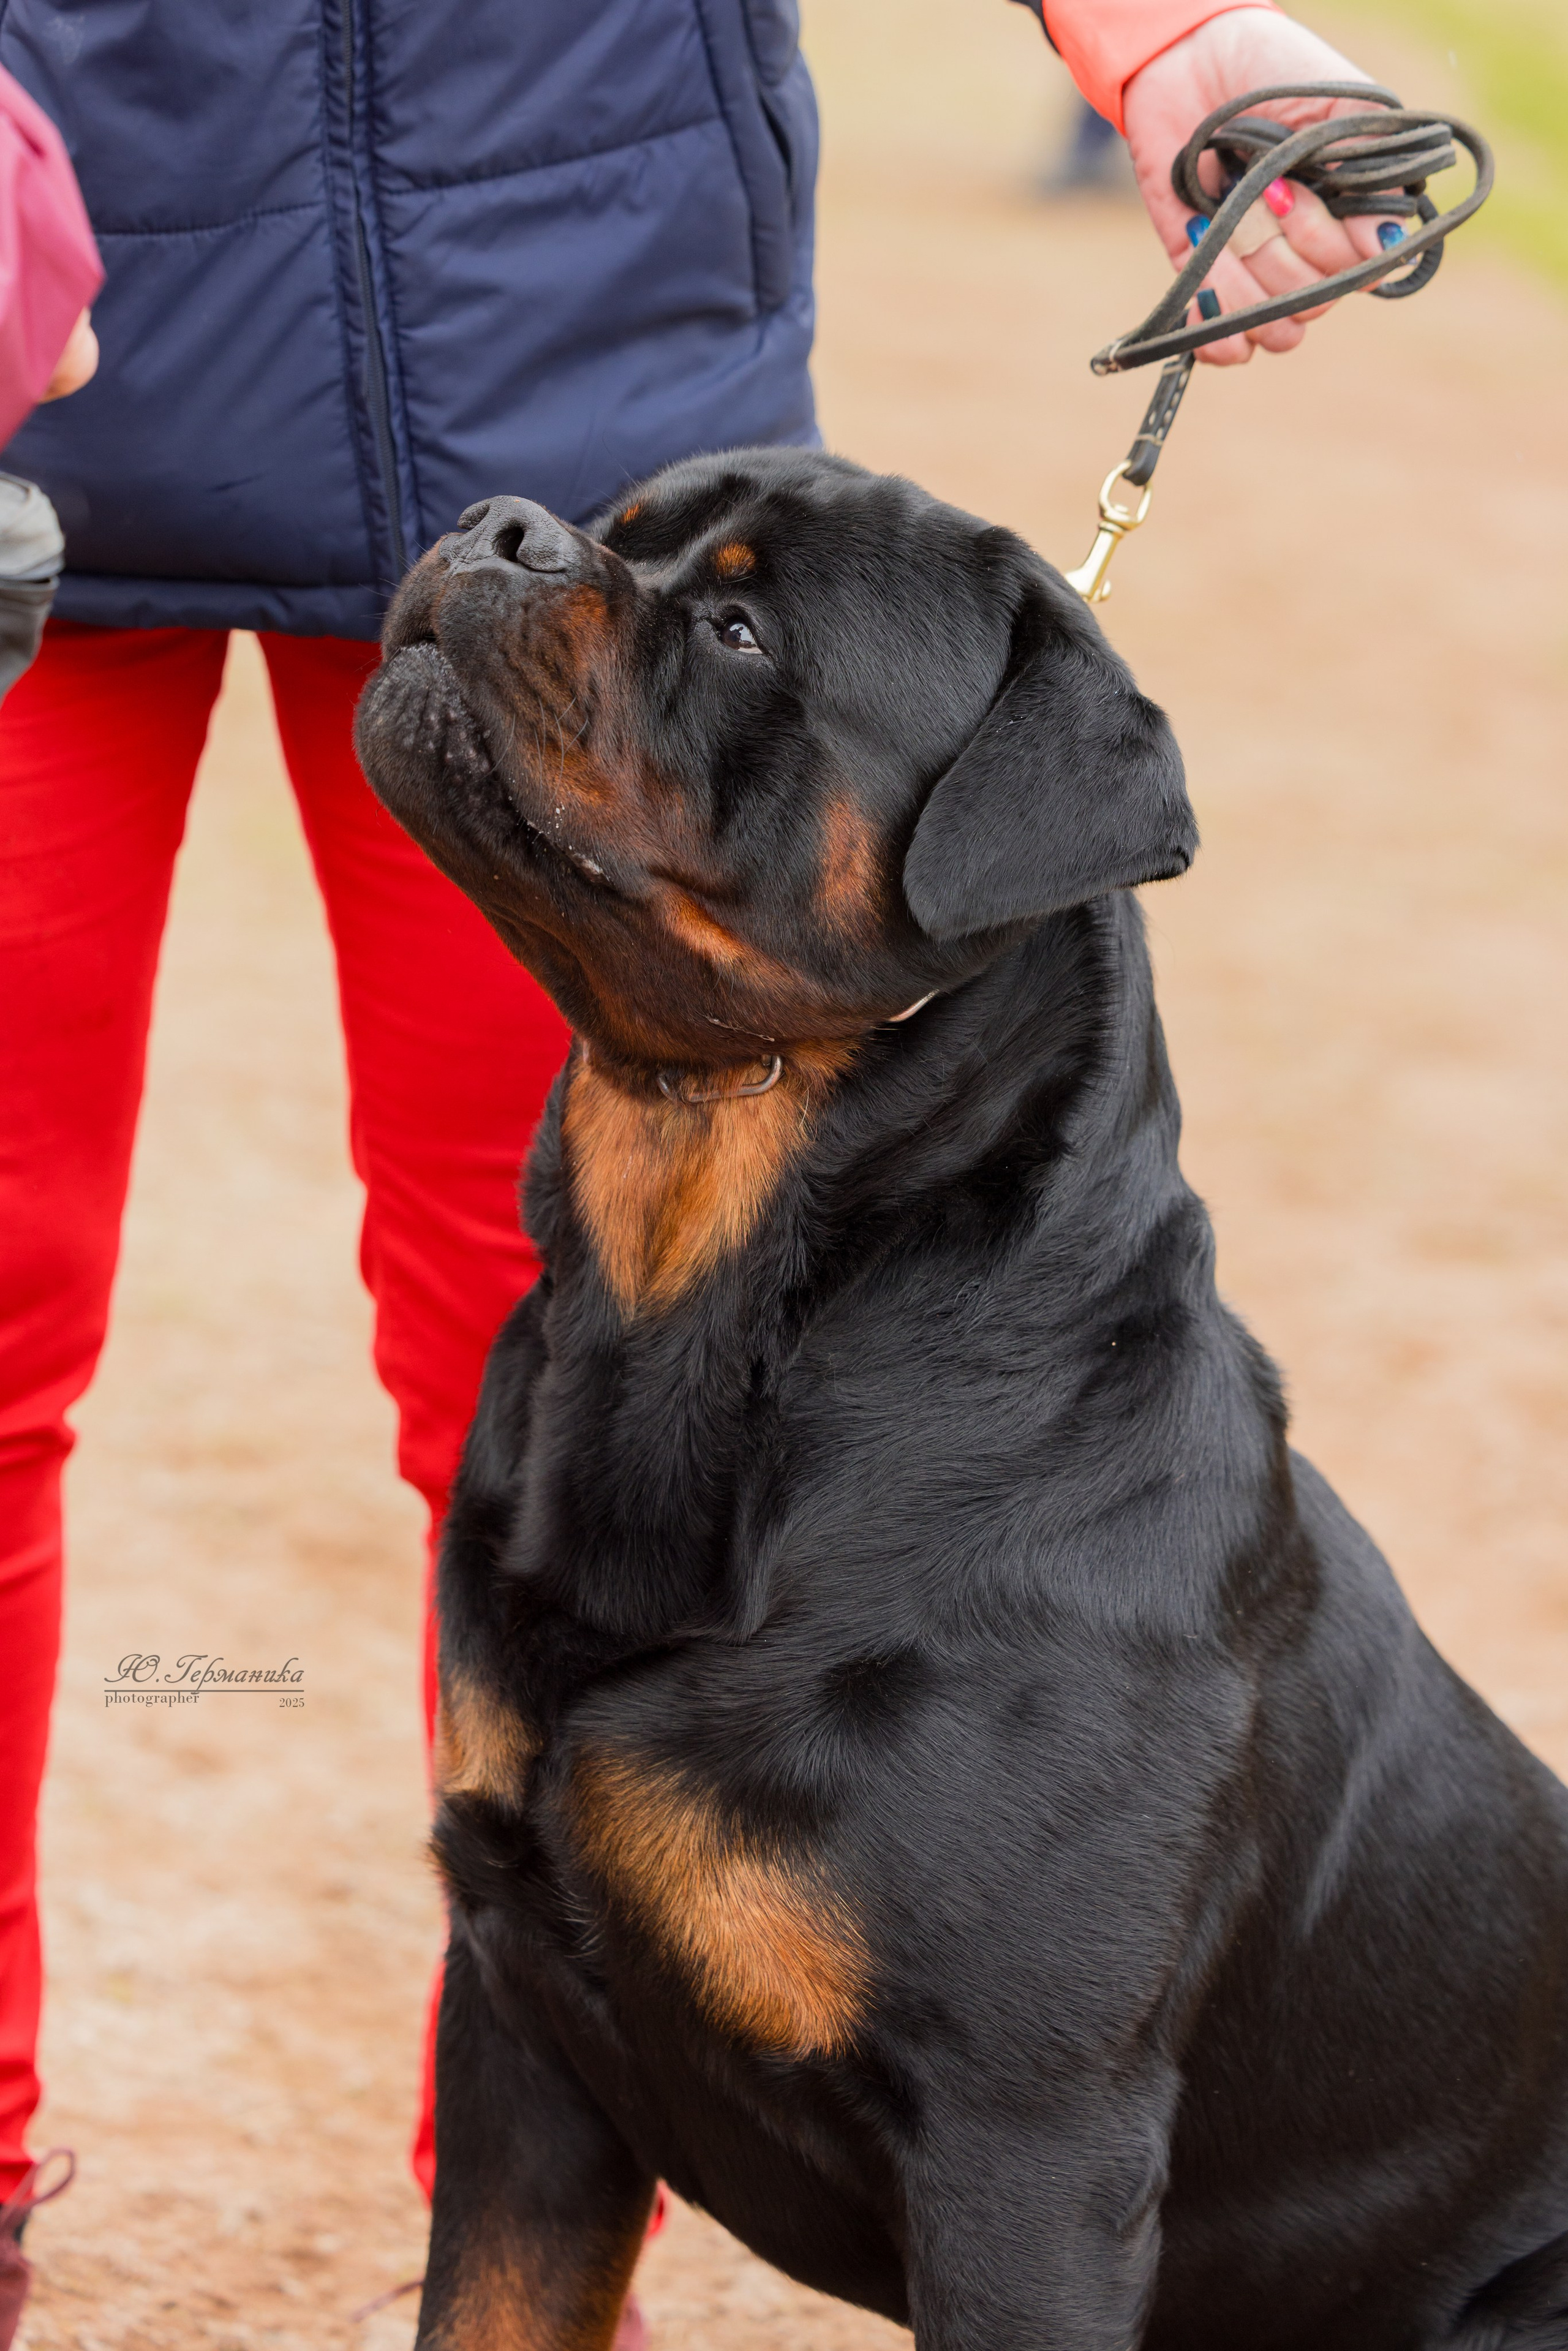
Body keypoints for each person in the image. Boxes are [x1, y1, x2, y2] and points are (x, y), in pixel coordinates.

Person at [0, 0, 1395, 2300]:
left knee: (592, 1385)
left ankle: (560, 2236)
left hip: (576, 385)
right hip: (25, 352)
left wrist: (1170, 35)